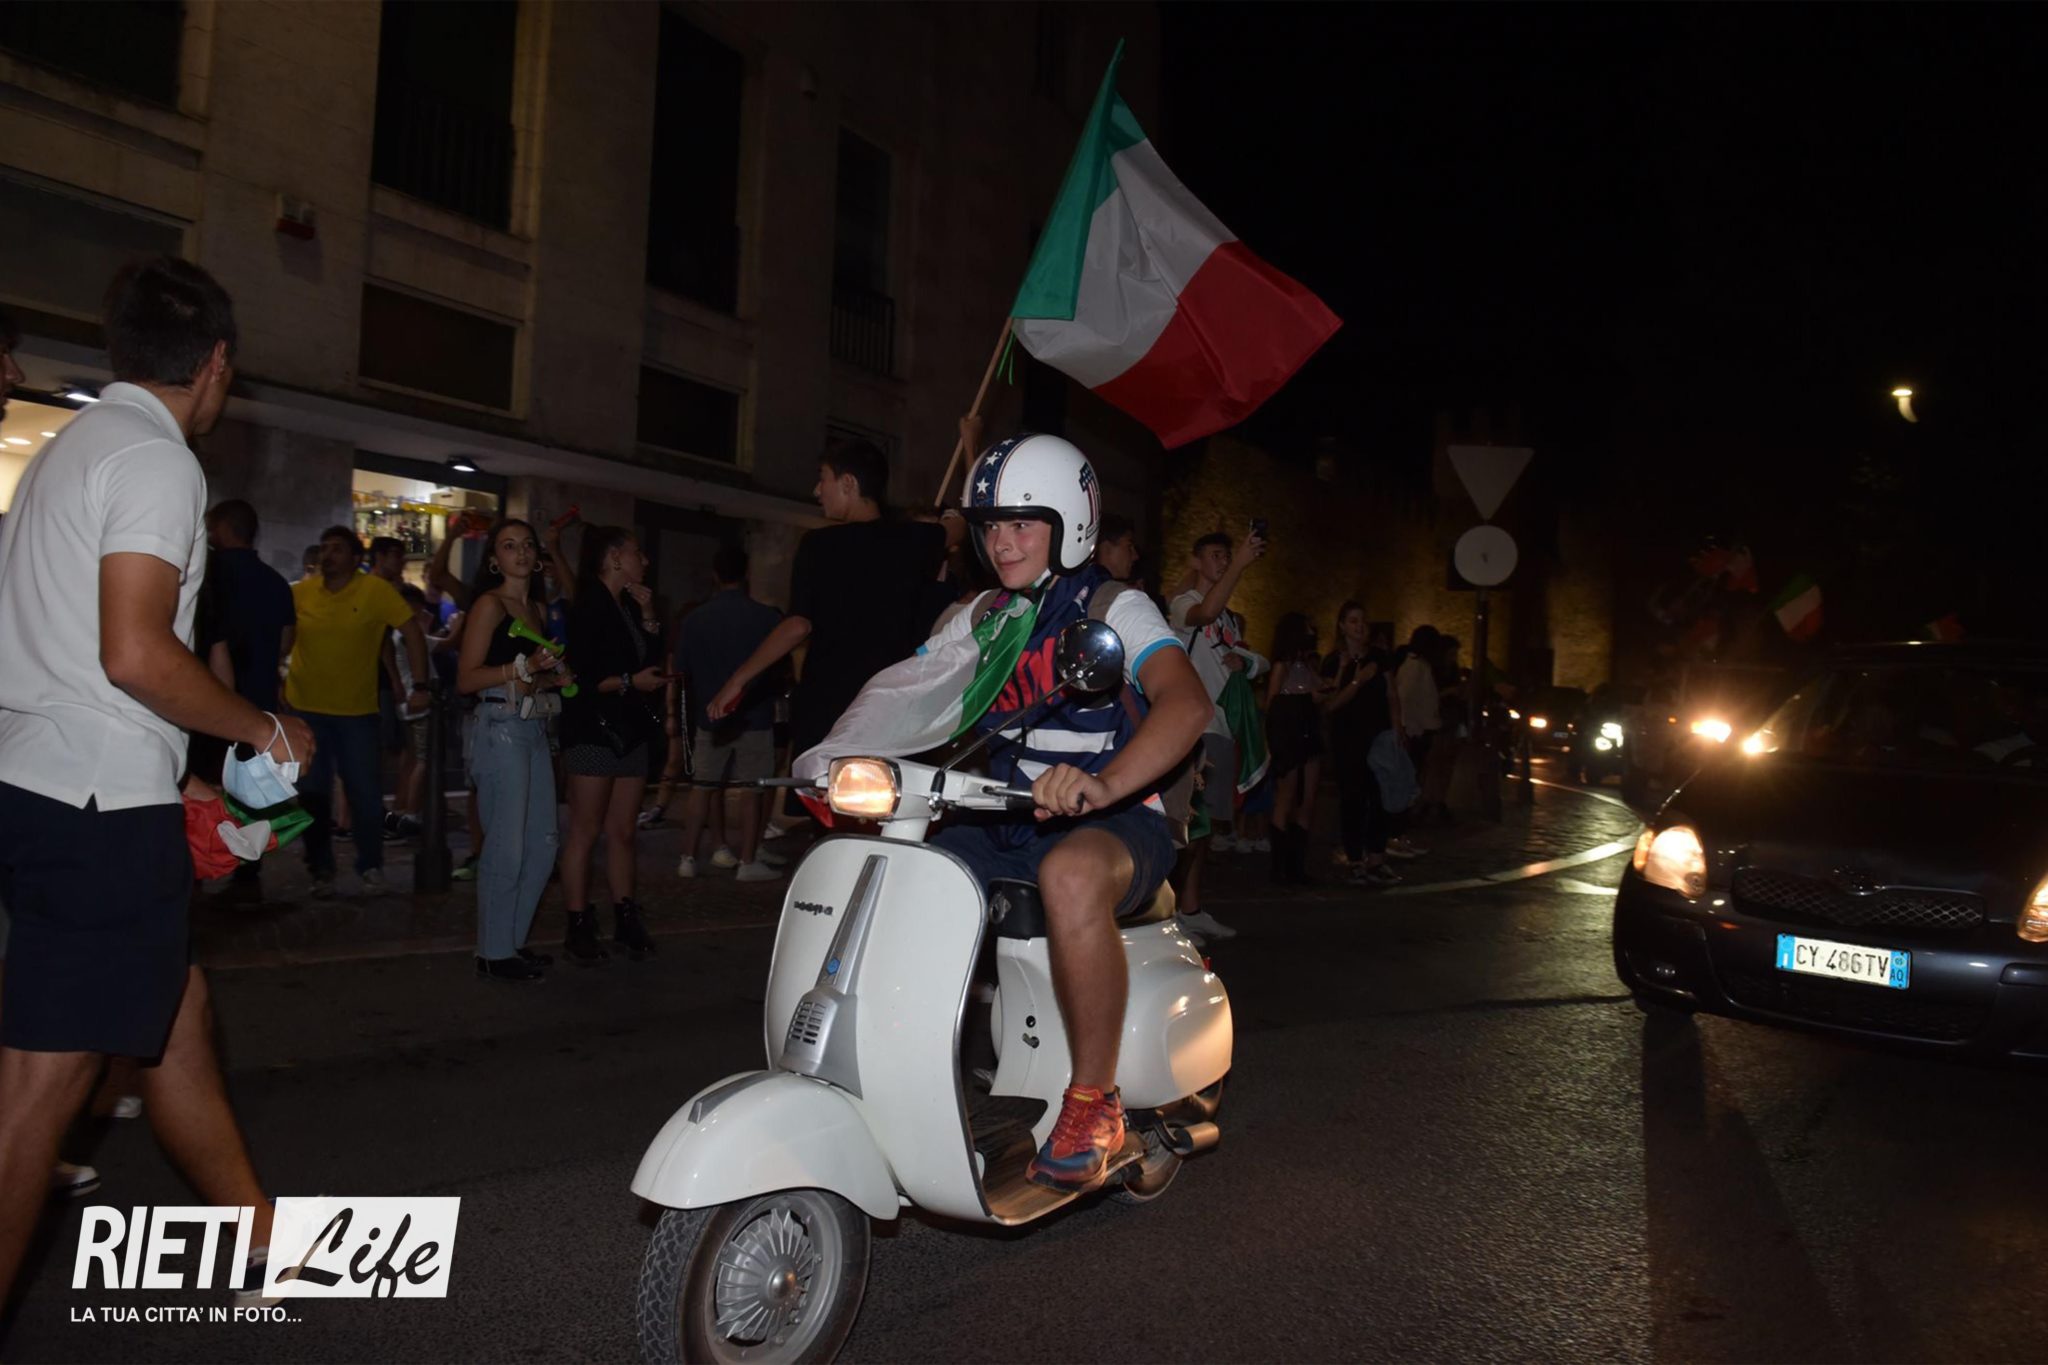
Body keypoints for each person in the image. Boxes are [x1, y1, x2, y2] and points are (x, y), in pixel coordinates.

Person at [0, 256, 316, 1302]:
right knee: (37, 1097)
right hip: (93, 812)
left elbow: (59, 648)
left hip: (50, 787)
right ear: (216, 363)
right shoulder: (156, 459)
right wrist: (263, 730)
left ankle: (259, 1237)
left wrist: (169, 771)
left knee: (175, 1012)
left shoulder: (66, 450)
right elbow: (134, 651)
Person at [889, 435, 1213, 1190]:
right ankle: (904, 1071)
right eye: (990, 526)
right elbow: (906, 695)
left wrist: (1103, 784)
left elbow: (1187, 703)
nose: (1001, 542)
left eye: (1021, 524)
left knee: (1069, 873)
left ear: (1069, 523)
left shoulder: (1114, 605)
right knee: (902, 873)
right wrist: (841, 754)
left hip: (1116, 820)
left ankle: (1094, 1101)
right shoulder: (980, 615)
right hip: (1002, 813)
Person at [706, 437, 947, 762]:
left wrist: (738, 680)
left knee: (825, 789)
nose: (817, 490)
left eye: (823, 478)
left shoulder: (818, 545)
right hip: (891, 709)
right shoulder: (918, 539)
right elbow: (957, 527)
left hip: (830, 709)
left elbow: (798, 624)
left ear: (848, 483)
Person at [455, 519, 572, 981]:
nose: (520, 553)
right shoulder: (490, 605)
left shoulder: (536, 609)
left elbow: (528, 678)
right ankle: (493, 951)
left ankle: (511, 944)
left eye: (526, 545)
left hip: (533, 726)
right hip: (499, 727)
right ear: (494, 560)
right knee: (507, 845)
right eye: (509, 546)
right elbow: (466, 678)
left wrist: (550, 677)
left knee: (543, 843)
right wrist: (522, 667)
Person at [285, 525, 431, 895]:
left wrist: (420, 684)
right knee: (312, 793)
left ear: (355, 558)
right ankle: (320, 868)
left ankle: (370, 864)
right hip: (306, 709)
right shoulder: (301, 593)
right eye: (324, 548)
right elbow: (282, 638)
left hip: (356, 713)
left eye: (336, 548)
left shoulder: (374, 592)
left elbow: (412, 632)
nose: (328, 555)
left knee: (364, 791)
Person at [556, 526, 666, 964]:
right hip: (594, 729)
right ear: (615, 557)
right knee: (585, 831)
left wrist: (650, 614)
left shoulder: (627, 605)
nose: (645, 561)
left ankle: (625, 915)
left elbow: (650, 662)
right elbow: (581, 678)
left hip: (629, 731)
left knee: (623, 831)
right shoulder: (588, 606)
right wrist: (629, 681)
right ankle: (578, 922)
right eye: (638, 552)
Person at [1166, 529, 1268, 940]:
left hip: (1222, 727)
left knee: (1206, 831)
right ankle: (1168, 913)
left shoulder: (1227, 616)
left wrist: (1247, 662)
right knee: (1189, 829)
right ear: (1195, 561)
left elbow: (1255, 659)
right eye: (1215, 555)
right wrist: (1242, 564)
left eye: (1227, 556)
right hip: (1196, 730)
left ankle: (1191, 909)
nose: (1223, 562)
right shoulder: (1184, 603)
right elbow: (1203, 614)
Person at [202, 499, 297, 901]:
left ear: (222, 528)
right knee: (250, 788)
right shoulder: (275, 582)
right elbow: (288, 639)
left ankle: (196, 865)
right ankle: (247, 869)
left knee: (201, 783)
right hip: (258, 700)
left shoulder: (208, 574)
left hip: (206, 700)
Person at [675, 545, 785, 880]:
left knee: (702, 786)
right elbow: (779, 669)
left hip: (710, 716)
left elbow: (683, 668)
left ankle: (688, 857)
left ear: (715, 575)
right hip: (755, 714)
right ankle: (747, 861)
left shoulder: (694, 619)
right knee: (752, 789)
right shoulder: (767, 618)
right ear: (747, 573)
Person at [1322, 606, 1404, 884]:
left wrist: (1397, 728)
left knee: (1380, 796)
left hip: (1378, 736)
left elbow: (1392, 694)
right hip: (1348, 737)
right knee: (1352, 798)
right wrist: (1357, 679)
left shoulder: (1379, 657)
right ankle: (1354, 858)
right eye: (1353, 621)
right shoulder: (1334, 661)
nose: (1359, 626)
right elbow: (1330, 703)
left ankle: (1377, 858)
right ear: (1342, 625)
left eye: (1363, 620)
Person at [1265, 612, 1329, 884]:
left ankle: (1296, 866)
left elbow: (1321, 688)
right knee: (1286, 796)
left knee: (1307, 800)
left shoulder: (1305, 664)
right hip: (1290, 734)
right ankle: (1280, 868)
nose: (1311, 633)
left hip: (1308, 730)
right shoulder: (1283, 665)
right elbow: (1272, 704)